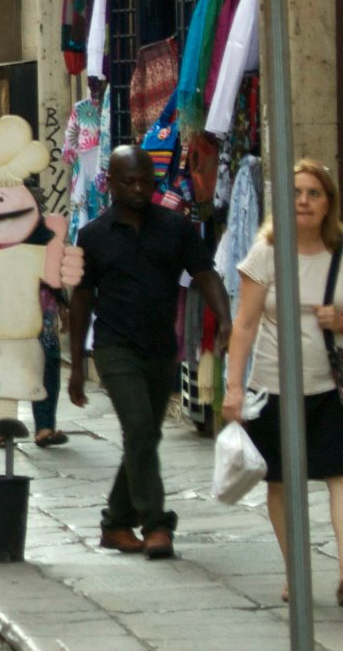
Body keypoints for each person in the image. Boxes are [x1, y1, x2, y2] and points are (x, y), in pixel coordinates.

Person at [68, 145, 232, 560]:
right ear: (111, 183)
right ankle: (157, 524)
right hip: (114, 348)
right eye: (129, 181)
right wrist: (75, 365)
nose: (139, 188)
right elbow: (82, 301)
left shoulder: (175, 228)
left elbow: (205, 273)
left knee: (146, 436)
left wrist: (225, 319)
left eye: (146, 180)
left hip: (162, 348)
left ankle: (114, 524)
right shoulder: (92, 237)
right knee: (139, 428)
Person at [223, 159, 343, 600]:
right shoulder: (266, 254)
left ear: (328, 203)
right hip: (272, 387)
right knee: (281, 482)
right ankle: (297, 571)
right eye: (295, 193)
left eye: (314, 193)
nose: (304, 201)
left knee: (340, 478)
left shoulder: (340, 251)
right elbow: (245, 323)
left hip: (332, 389)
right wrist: (234, 387)